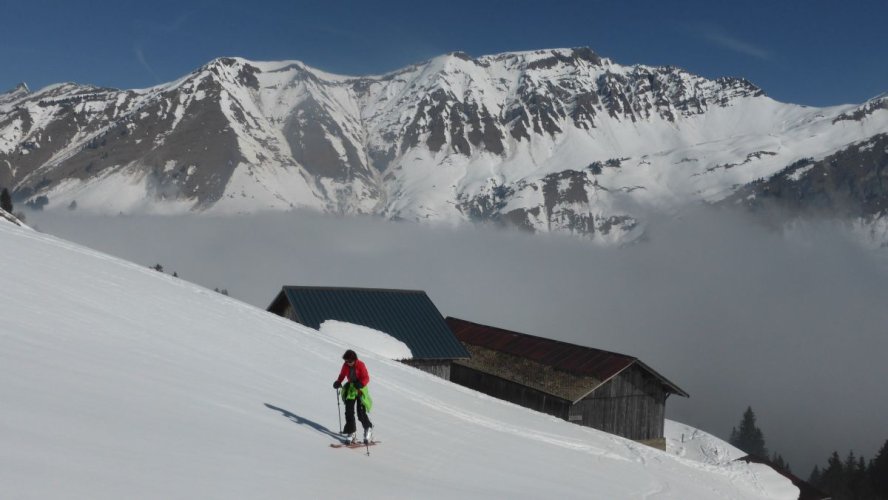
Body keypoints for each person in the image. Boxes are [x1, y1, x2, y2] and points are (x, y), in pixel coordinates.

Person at [333, 349, 373, 444]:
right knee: (349, 411)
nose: (348, 363)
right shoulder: (346, 365)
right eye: (346, 361)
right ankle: (351, 431)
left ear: (354, 360)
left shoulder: (360, 365)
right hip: (351, 389)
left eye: (350, 361)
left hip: (360, 389)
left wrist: (361, 383)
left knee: (361, 413)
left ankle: (368, 428)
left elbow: (366, 377)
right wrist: (338, 381)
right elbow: (342, 374)